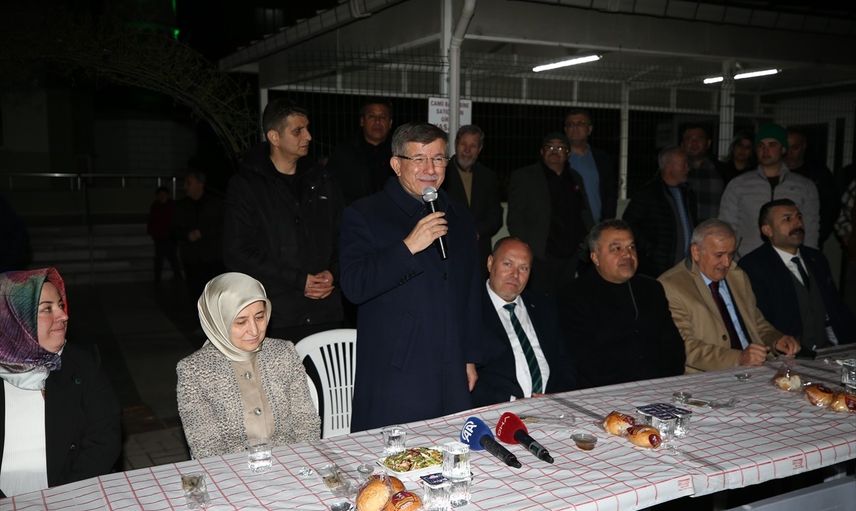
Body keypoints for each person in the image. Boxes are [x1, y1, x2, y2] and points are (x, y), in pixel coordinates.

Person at [339, 122, 482, 432]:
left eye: (439, 158)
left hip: (451, 366)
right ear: (396, 164)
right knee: (399, 456)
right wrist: (408, 247)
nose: (430, 169)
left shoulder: (459, 214)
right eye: (419, 159)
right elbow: (354, 285)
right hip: (397, 369)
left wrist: (469, 356)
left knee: (453, 450)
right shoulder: (365, 214)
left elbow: (471, 291)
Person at [224, 99, 343, 341]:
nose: (308, 136)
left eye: (307, 128)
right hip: (277, 315)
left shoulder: (323, 180)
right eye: (298, 131)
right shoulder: (246, 186)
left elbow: (343, 235)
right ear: (274, 137)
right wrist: (298, 280)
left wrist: (333, 272)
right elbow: (236, 251)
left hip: (325, 311)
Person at [0, 268, 120, 497]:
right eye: (47, 309)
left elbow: (104, 440)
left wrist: (62, 498)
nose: (64, 316)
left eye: (60, 305)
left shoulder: (82, 364)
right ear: (13, 318)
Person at [176, 272, 320, 459]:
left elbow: (306, 422)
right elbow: (206, 448)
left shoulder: (283, 353)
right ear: (218, 321)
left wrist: (301, 462)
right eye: (241, 321)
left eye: (259, 317)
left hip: (290, 461)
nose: (254, 330)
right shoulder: (194, 370)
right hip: (231, 469)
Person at [658, 220, 801, 372]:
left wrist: (776, 340)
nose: (726, 263)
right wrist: (738, 358)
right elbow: (684, 346)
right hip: (710, 375)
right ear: (696, 252)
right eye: (719, 255)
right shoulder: (671, 286)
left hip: (756, 368)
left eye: (731, 254)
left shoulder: (736, 275)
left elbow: (756, 323)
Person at [563, 220, 685, 388]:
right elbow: (582, 360)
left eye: (631, 247)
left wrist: (663, 383)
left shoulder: (651, 289)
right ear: (595, 257)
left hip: (659, 386)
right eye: (616, 248)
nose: (627, 255)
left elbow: (673, 347)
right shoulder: (574, 295)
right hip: (605, 390)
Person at [739, 199, 855, 354]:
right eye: (787, 219)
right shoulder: (753, 265)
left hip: (829, 351)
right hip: (788, 355)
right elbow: (759, 322)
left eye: (799, 217)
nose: (797, 223)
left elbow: (836, 309)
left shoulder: (816, 259)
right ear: (768, 230)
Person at [470, 237, 574, 407]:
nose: (515, 275)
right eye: (507, 264)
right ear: (490, 263)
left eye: (523, 268)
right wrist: (514, 402)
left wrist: (557, 396)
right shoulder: (469, 309)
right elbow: (464, 376)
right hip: (498, 409)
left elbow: (564, 363)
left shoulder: (543, 307)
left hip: (553, 407)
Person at [507, 132, 594, 294]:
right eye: (550, 147)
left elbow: (584, 212)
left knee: (566, 300)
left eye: (560, 148)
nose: (555, 151)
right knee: (539, 301)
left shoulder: (575, 178)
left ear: (568, 153)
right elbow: (515, 218)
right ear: (542, 151)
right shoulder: (525, 176)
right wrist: (527, 249)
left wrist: (588, 242)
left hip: (571, 255)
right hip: (540, 255)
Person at [719, 123, 820, 257]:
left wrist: (810, 259)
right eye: (761, 145)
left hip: (790, 261)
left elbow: (811, 228)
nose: (765, 150)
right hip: (747, 260)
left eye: (772, 145)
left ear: (783, 149)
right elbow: (726, 226)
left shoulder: (804, 186)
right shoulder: (738, 185)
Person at [622, 146, 697, 278]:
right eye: (683, 164)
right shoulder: (649, 193)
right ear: (669, 166)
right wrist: (650, 250)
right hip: (658, 268)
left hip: (685, 266)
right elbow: (629, 223)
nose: (688, 168)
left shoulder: (687, 193)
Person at [441, 125, 503, 274]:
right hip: (449, 251)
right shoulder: (441, 173)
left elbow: (496, 217)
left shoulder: (488, 177)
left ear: (479, 149)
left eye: (473, 146)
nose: (467, 150)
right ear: (456, 144)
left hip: (479, 253)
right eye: (463, 144)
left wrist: (477, 231)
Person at [325, 98, 394, 205]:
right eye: (372, 116)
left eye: (383, 117)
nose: (377, 121)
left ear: (390, 123)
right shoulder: (344, 153)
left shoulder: (399, 154)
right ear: (362, 121)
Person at [173, 170, 223, 298]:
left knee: (213, 295)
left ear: (200, 184)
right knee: (195, 294)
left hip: (212, 259)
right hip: (191, 260)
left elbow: (223, 226)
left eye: (189, 183)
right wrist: (187, 235)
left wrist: (203, 233)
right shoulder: (181, 206)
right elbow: (173, 229)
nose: (185, 187)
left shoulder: (216, 203)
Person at [563, 109, 619, 221]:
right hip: (564, 223)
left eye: (580, 124)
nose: (575, 127)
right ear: (565, 130)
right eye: (570, 124)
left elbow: (610, 194)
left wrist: (607, 222)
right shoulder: (557, 158)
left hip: (595, 224)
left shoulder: (602, 159)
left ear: (589, 129)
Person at [786, 127, 838, 246]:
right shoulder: (775, 172)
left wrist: (818, 235)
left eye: (795, 148)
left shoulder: (818, 173)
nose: (789, 153)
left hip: (809, 239)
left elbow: (831, 207)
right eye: (786, 148)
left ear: (804, 146)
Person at [681, 124, 724, 221]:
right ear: (682, 144)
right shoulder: (674, 170)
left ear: (708, 143)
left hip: (714, 228)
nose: (694, 142)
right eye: (689, 139)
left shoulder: (721, 170)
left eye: (699, 138)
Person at [147, 186, 182, 283]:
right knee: (159, 259)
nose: (162, 196)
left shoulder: (173, 205)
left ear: (167, 195)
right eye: (160, 195)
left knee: (173, 258)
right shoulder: (155, 206)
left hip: (171, 237)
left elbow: (176, 220)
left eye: (164, 194)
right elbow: (152, 220)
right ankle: (158, 279)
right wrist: (152, 232)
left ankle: (178, 277)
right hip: (159, 237)